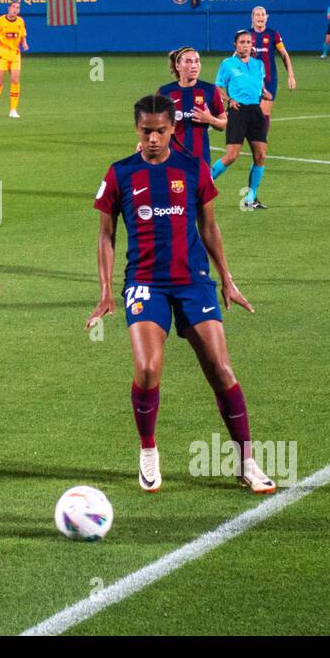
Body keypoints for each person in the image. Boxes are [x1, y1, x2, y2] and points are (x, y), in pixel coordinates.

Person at [85, 94, 274, 496]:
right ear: (136, 129)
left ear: (172, 128)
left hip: (193, 281)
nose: (153, 138)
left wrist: (227, 278)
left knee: (220, 369)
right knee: (149, 368)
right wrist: (105, 292)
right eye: (145, 131)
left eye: (160, 130)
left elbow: (209, 228)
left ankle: (246, 462)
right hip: (145, 282)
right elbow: (106, 235)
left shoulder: (193, 169)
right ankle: (149, 451)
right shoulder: (120, 174)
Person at [212, 30, 270, 210]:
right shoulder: (227, 64)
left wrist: (264, 92)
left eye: (248, 42)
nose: (245, 45)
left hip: (256, 112)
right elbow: (218, 88)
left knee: (260, 156)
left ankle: (250, 199)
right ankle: (203, 184)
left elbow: (260, 86)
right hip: (238, 112)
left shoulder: (259, 64)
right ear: (235, 45)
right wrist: (229, 100)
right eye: (242, 42)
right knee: (231, 156)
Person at [156, 46, 225, 162]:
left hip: (200, 160)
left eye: (197, 61)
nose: (194, 65)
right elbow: (153, 124)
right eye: (188, 61)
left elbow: (223, 124)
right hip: (171, 158)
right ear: (178, 66)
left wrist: (210, 120)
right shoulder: (165, 92)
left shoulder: (210, 90)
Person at [249, 5, 296, 115]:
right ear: (252, 18)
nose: (260, 17)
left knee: (263, 113)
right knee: (252, 114)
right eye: (257, 14)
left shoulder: (273, 34)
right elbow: (236, 56)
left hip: (269, 80)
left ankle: (261, 132)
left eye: (263, 14)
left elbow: (284, 55)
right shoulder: (246, 35)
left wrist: (291, 76)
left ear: (266, 17)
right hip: (250, 80)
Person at [0, 0, 28, 119]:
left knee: (15, 80)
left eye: (18, 8)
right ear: (9, 8)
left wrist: (24, 43)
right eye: (14, 7)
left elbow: (23, 35)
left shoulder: (20, 21)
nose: (16, 10)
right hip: (2, 53)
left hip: (15, 53)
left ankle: (13, 109)